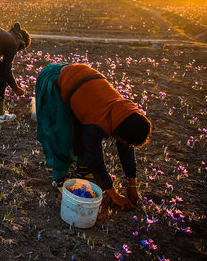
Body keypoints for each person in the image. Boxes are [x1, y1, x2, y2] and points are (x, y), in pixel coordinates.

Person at [35, 63, 152, 210]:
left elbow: (126, 147)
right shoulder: (98, 122)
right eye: (124, 140)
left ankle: (82, 169)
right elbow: (95, 158)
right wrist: (114, 195)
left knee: (81, 127)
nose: (125, 144)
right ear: (118, 133)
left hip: (81, 83)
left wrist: (132, 183)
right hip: (55, 80)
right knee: (61, 133)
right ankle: (60, 176)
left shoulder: (126, 115)